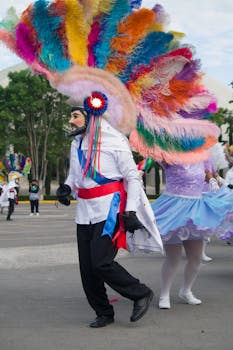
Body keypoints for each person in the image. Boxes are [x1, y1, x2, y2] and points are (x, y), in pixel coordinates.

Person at [56, 103, 163, 328]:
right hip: (84, 212)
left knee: (101, 262)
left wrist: (130, 210)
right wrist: (66, 188)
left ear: (91, 117)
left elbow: (132, 177)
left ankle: (140, 293)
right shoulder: (77, 142)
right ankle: (104, 313)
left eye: (75, 116)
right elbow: (74, 176)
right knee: (87, 268)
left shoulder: (115, 141)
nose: (70, 121)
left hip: (110, 209)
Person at [151, 160, 233, 310]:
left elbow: (209, 175)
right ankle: (164, 294)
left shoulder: (202, 158)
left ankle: (186, 290)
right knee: (173, 257)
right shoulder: (170, 157)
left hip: (195, 210)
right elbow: (154, 152)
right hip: (173, 211)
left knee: (195, 258)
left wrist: (214, 182)